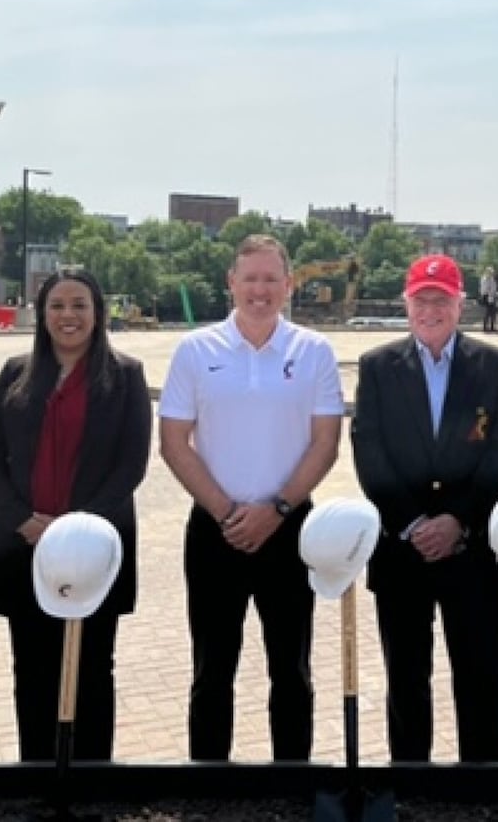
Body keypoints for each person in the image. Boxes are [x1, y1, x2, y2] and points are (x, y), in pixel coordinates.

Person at [159, 234, 344, 761]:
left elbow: (325, 442)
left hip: (289, 529)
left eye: (270, 279)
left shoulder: (313, 351)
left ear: (288, 285)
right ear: (231, 284)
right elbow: (174, 443)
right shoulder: (196, 350)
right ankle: (211, 788)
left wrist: (278, 508)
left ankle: (291, 783)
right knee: (212, 671)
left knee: (291, 670)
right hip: (215, 529)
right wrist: (227, 512)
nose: (259, 290)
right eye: (250, 279)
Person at [0, 269, 153, 761]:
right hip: (23, 543)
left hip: (95, 545)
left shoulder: (126, 376)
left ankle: (92, 778)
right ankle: (36, 774)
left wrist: (76, 530)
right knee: (31, 668)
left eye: (79, 306)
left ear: (98, 313)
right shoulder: (15, 373)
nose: (68, 316)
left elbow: (131, 465)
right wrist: (23, 518)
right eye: (57, 306)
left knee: (94, 666)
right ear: (41, 312)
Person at [350, 253, 498, 762]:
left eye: (441, 300)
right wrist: (413, 523)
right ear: (407, 305)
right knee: (406, 679)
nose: (430, 310)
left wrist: (459, 521)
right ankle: (410, 781)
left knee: (480, 676)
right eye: (420, 300)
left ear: (460, 304)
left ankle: (483, 783)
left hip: (469, 551)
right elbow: (369, 451)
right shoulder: (378, 367)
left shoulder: (495, 367)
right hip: (403, 550)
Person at [479, 266, 498, 334]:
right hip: (487, 296)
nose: (491, 273)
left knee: (493, 312)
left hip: (492, 296)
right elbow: (485, 289)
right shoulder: (485, 279)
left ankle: (492, 327)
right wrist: (490, 293)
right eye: (490, 272)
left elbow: (494, 287)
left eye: (492, 272)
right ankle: (485, 327)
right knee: (488, 312)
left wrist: (495, 294)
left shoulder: (491, 279)